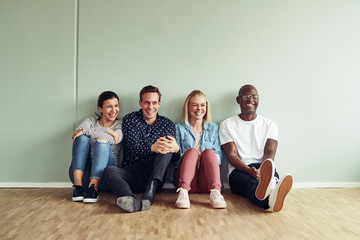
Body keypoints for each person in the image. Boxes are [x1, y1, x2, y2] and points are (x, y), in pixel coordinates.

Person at [104, 85, 179, 213]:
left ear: (159, 104)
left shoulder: (167, 124)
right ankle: (131, 198)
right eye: (147, 102)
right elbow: (132, 148)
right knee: (109, 171)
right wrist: (152, 148)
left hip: (155, 176)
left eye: (154, 103)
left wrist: (177, 150)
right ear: (140, 103)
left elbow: (174, 159)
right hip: (131, 173)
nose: (151, 107)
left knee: (165, 147)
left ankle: (149, 194)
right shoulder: (130, 119)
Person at [219, 84, 293, 212]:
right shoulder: (227, 124)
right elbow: (232, 156)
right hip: (238, 171)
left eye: (254, 96)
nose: (250, 99)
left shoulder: (270, 125)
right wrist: (249, 170)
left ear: (258, 100)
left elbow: (270, 153)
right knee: (252, 185)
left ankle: (270, 192)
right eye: (246, 96)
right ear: (238, 100)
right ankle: (272, 197)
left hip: (265, 167)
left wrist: (262, 171)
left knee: (269, 180)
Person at [174, 90, 226, 209]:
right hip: (185, 179)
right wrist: (187, 156)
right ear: (188, 107)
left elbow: (218, 157)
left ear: (206, 108)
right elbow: (175, 160)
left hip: (206, 180)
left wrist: (207, 157)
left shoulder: (213, 128)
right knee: (192, 152)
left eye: (202, 105)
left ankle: (216, 193)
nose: (199, 108)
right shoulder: (179, 128)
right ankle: (183, 193)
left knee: (209, 152)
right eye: (195, 105)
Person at [69, 91, 123, 203]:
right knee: (82, 138)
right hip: (83, 176)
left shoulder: (120, 124)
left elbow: (114, 139)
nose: (114, 110)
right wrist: (107, 131)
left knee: (102, 142)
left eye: (116, 106)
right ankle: (77, 187)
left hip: (107, 177)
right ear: (100, 108)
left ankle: (93, 189)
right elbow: (77, 133)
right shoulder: (90, 120)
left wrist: (87, 131)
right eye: (109, 106)